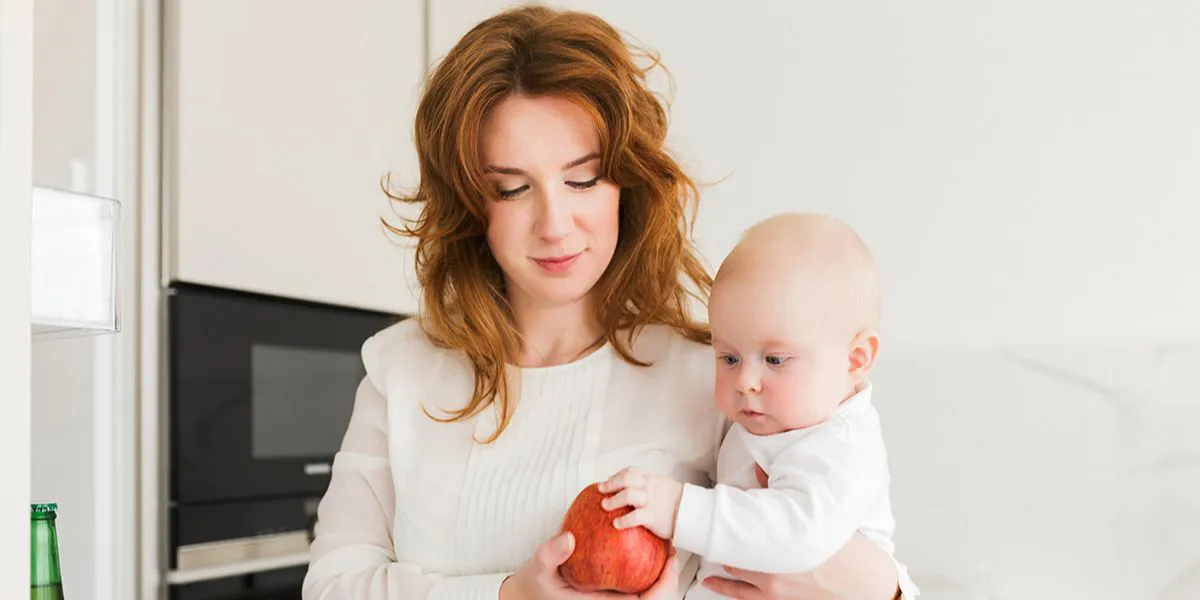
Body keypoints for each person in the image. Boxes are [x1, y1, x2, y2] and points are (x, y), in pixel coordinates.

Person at [302, 5, 911, 600]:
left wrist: (872, 585)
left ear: (627, 180)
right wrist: (511, 597)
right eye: (512, 189)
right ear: (469, 203)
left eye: (583, 179)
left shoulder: (722, 375)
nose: (555, 225)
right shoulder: (400, 371)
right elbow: (331, 587)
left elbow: (860, 551)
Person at [599, 213, 919, 600]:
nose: (744, 381)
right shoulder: (764, 425)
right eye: (729, 358)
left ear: (855, 359)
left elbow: (797, 534)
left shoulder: (840, 444)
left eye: (775, 360)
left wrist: (678, 508)